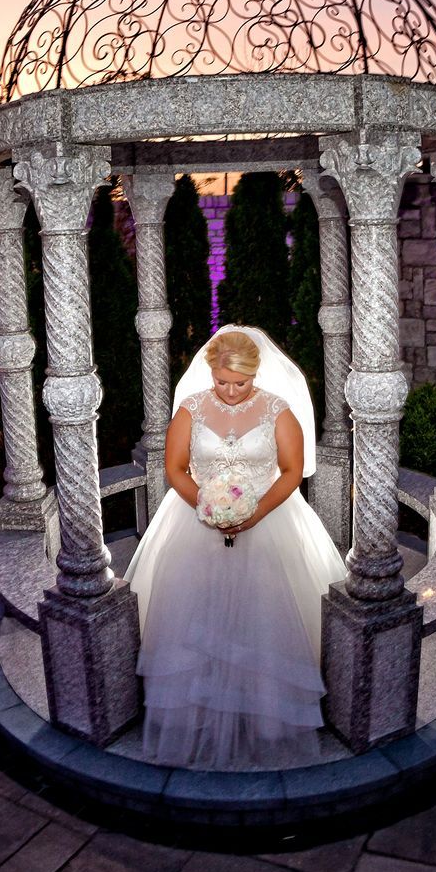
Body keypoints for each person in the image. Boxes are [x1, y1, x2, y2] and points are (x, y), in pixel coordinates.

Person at [123, 324, 349, 769]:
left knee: (265, 615)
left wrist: (255, 513)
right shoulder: (190, 409)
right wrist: (207, 507)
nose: (229, 391)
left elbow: (291, 471)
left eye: (240, 383)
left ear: (254, 374)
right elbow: (175, 468)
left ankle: (267, 713)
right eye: (222, 382)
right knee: (196, 615)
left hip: (269, 519)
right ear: (210, 373)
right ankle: (198, 711)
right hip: (196, 520)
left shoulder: (278, 411)